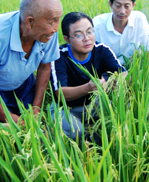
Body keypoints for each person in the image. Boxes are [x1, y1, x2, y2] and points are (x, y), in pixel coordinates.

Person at [50, 12, 127, 140]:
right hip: (66, 109)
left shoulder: (102, 50)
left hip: (95, 106)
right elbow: (60, 93)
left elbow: (124, 73)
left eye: (90, 31)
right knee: (76, 133)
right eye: (78, 35)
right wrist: (88, 88)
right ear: (67, 39)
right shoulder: (58, 56)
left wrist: (111, 82)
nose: (86, 38)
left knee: (120, 119)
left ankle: (96, 141)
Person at [93, 0, 149, 65]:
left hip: (132, 70)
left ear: (133, 6)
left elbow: (148, 51)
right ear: (110, 4)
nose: (122, 11)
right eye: (118, 6)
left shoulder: (140, 20)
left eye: (127, 6)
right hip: (105, 71)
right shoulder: (97, 25)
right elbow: (92, 56)